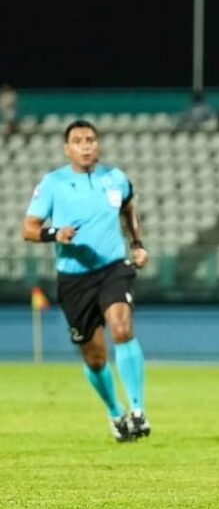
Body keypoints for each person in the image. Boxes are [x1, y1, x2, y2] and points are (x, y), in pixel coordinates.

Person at [22, 120, 151, 442]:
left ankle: (138, 411)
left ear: (99, 144)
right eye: (78, 140)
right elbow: (29, 228)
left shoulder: (116, 178)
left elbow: (129, 207)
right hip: (74, 278)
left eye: (91, 139)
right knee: (95, 358)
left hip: (112, 268)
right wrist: (56, 234)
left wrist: (137, 243)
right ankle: (114, 412)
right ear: (67, 148)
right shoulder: (53, 183)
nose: (86, 145)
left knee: (122, 327)